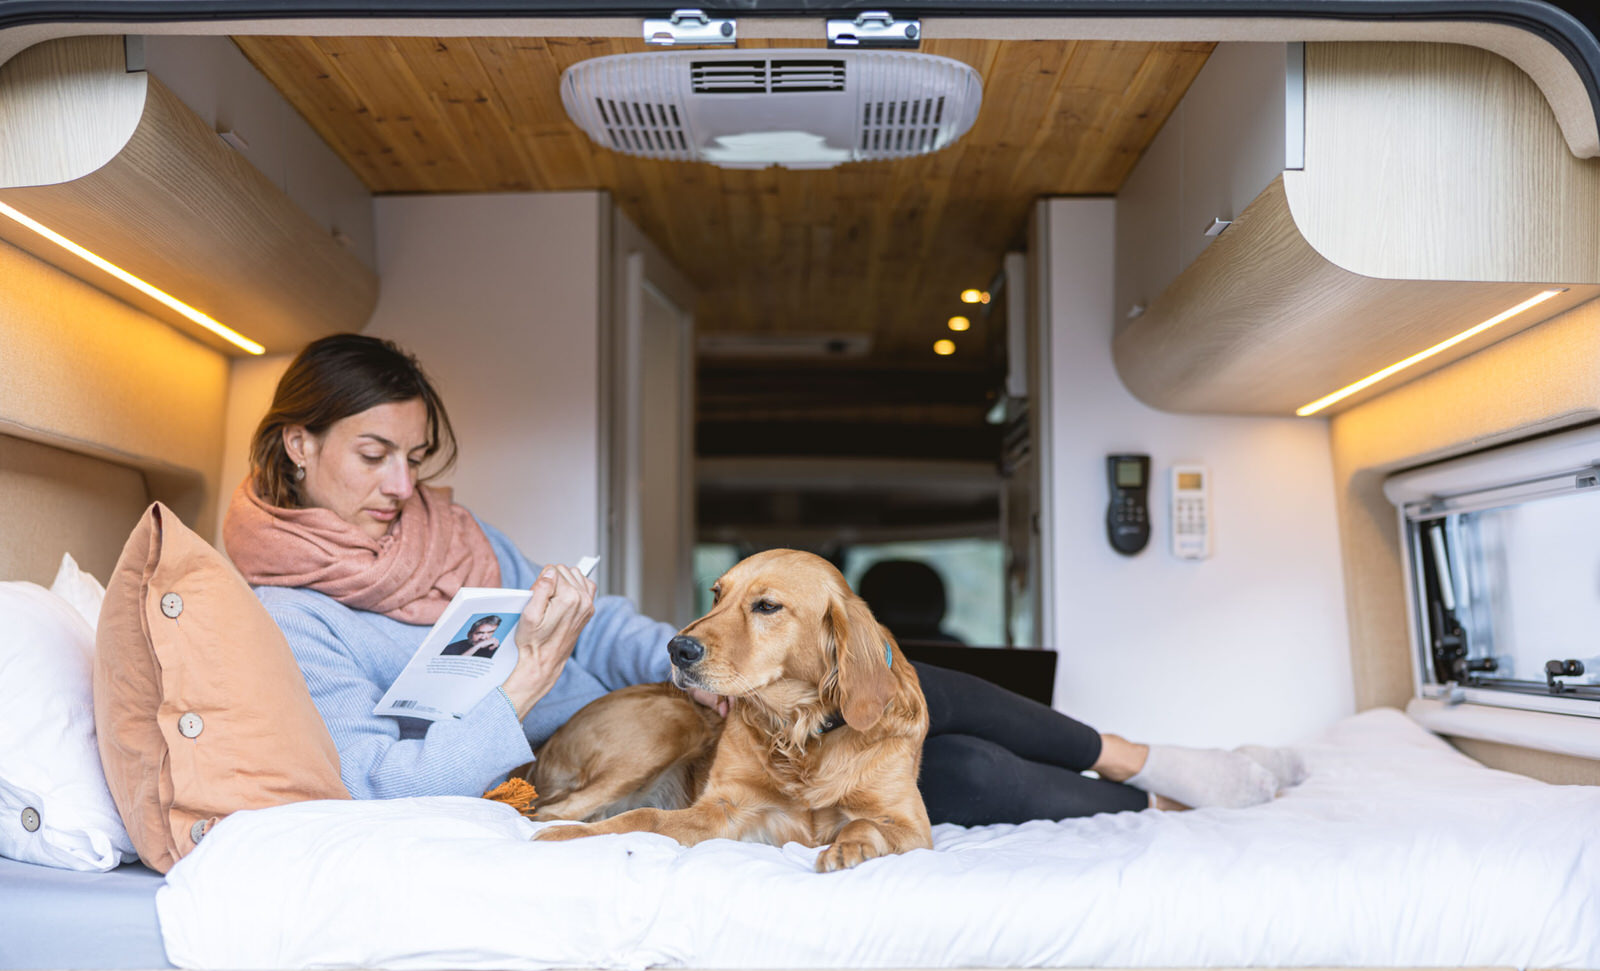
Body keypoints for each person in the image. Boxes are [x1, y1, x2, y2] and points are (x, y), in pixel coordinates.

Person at [224, 334, 1305, 822]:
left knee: (893, 695)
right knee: (956, 775)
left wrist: (686, 656)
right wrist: (517, 687)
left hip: (664, 709)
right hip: (602, 752)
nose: (402, 484)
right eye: (375, 456)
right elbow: (371, 784)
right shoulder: (286, 612)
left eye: (416, 457)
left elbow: (599, 635)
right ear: (298, 445)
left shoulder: (455, 535)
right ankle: (1158, 795)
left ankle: (1157, 776)